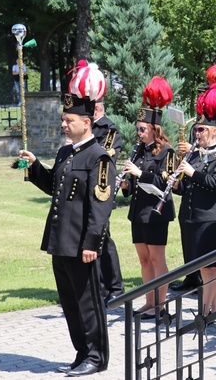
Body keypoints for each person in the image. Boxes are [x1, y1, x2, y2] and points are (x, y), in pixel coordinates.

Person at [20, 62, 114, 376]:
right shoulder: (66, 153)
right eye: (64, 119)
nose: (64, 124)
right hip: (60, 240)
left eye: (69, 120)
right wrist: (35, 167)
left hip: (81, 244)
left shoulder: (98, 157)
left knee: (89, 302)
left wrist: (91, 244)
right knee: (70, 302)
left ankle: (96, 357)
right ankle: (81, 352)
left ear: (86, 122)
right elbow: (55, 188)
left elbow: (100, 207)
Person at [119, 77, 176, 319]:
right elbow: (133, 184)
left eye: (142, 128)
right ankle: (148, 301)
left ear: (154, 129)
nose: (138, 132)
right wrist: (124, 184)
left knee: (156, 258)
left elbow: (166, 183)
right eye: (138, 128)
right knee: (143, 259)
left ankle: (161, 305)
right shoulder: (139, 149)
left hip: (156, 211)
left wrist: (139, 173)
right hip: (139, 211)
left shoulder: (167, 152)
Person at [172, 84, 216, 317]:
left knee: (210, 268)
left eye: (202, 130)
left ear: (214, 131)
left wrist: (192, 173)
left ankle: (208, 311)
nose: (198, 134)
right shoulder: (194, 152)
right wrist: (177, 183)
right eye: (196, 130)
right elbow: (188, 186)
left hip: (210, 217)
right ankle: (213, 309)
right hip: (189, 215)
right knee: (199, 267)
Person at [91, 100, 125, 304]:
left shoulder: (109, 129)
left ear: (96, 108)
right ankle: (99, 286)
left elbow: (104, 156)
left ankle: (115, 286)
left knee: (104, 238)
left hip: (100, 188)